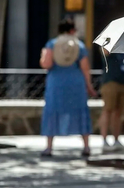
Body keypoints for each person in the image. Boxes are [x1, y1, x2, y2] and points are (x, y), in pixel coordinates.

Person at [40, 19, 97, 157]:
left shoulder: (52, 44)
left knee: (52, 111)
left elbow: (46, 64)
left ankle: (49, 147)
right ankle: (86, 146)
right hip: (75, 84)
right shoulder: (80, 46)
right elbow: (85, 68)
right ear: (72, 30)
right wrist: (89, 86)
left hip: (56, 83)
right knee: (80, 111)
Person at [98, 49, 124, 151]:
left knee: (118, 113)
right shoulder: (110, 44)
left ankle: (116, 139)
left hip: (123, 82)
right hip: (110, 81)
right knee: (107, 110)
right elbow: (105, 50)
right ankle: (104, 139)